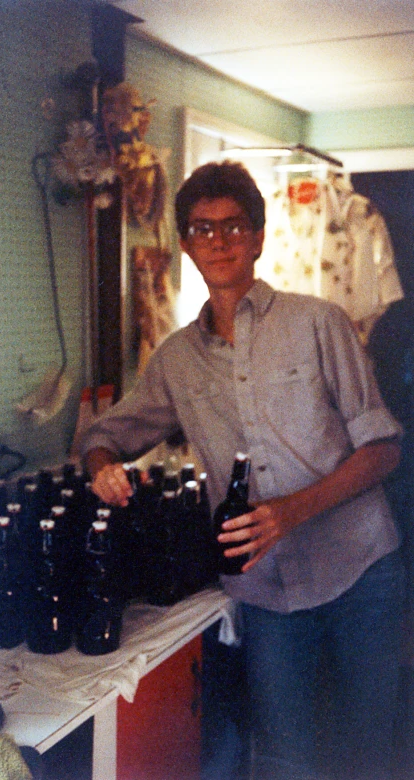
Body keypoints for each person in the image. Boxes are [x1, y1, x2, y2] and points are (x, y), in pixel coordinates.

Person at [80, 160, 405, 780]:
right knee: (286, 756)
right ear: (185, 244)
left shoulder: (319, 323)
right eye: (203, 229)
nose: (219, 241)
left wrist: (290, 511)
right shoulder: (175, 361)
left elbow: (384, 449)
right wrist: (101, 468)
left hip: (359, 569)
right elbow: (105, 436)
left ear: (257, 238)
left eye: (234, 227)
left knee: (371, 750)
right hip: (267, 590)